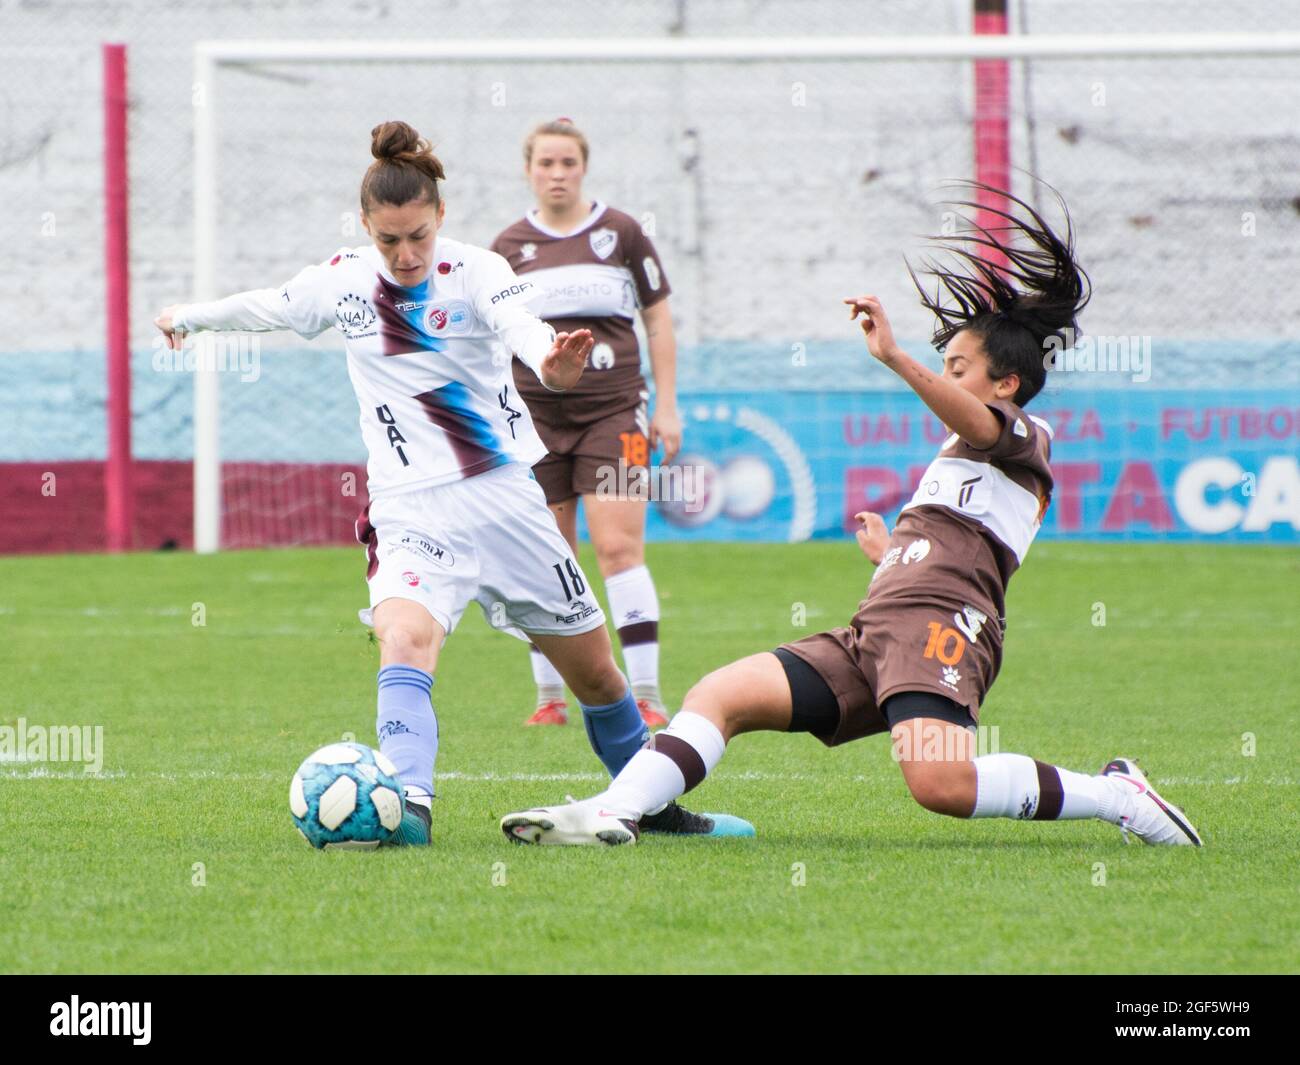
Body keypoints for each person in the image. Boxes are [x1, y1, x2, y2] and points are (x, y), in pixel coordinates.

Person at [500, 182, 1203, 848]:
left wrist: (895, 355)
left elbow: (980, 435)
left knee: (941, 783)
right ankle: (614, 809)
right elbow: (965, 537)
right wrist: (892, 551)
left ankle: (1117, 794)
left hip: (938, 630)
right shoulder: (967, 453)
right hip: (878, 629)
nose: (948, 377)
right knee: (721, 693)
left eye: (959, 366)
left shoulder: (1023, 435)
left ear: (1007, 384)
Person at [155, 121, 752, 843]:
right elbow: (272, 306)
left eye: (417, 237)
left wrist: (551, 362)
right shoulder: (343, 280)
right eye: (388, 240)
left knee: (596, 676)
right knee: (403, 638)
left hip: (505, 500)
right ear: (367, 228)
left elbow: (521, 326)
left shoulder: (477, 273)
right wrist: (187, 317)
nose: (404, 255)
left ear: (441, 217)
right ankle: (408, 808)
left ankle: (652, 808)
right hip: (410, 508)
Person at [491, 119, 680, 729]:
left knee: (619, 548)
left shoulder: (622, 233)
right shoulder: (506, 249)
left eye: (568, 162)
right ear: (528, 169)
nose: (557, 173)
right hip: (534, 420)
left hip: (615, 412)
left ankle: (646, 693)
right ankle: (550, 699)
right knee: (548, 555)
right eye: (546, 163)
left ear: (584, 167)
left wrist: (668, 404)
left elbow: (658, 321)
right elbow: (493, 341)